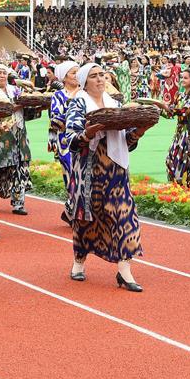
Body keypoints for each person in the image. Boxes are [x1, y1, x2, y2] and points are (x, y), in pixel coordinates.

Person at [64, 63, 150, 291]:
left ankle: (125, 270)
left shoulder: (116, 104)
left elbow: (126, 141)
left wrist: (139, 132)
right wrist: (89, 132)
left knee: (125, 216)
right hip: (91, 170)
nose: (100, 79)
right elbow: (70, 139)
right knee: (86, 219)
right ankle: (79, 261)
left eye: (102, 75)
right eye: (93, 76)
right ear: (85, 81)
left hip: (117, 170)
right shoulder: (78, 102)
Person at [0, 64, 32, 216]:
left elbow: (27, 107)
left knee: (21, 165)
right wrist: (15, 106)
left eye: (4, 73)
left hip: (19, 132)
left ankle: (19, 203)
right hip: (3, 134)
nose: (2, 75)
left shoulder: (15, 90)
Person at [49, 61, 81, 221]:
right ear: (64, 78)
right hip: (65, 142)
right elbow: (55, 119)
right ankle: (73, 210)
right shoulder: (58, 95)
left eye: (78, 72)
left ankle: (72, 211)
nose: (76, 75)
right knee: (70, 175)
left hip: (84, 139)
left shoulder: (85, 92)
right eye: (73, 73)